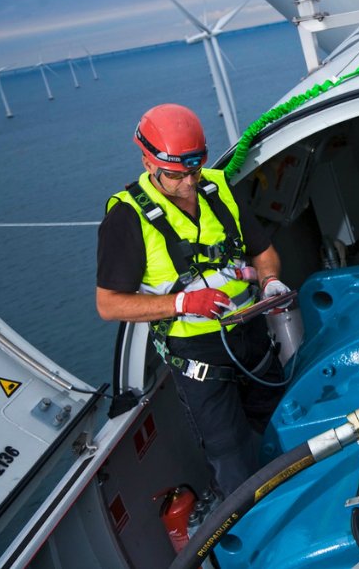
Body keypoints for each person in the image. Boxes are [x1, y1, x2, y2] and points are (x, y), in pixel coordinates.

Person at [96, 103, 292, 498]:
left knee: (286, 425)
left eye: (193, 171)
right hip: (200, 359)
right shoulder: (127, 216)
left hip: (252, 337)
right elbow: (109, 304)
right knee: (232, 460)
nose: (187, 183)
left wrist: (270, 282)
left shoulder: (216, 187)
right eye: (175, 175)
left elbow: (263, 251)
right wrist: (182, 304)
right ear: (148, 162)